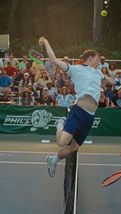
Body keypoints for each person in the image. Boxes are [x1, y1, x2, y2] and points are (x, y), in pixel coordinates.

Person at [38, 36, 114, 177]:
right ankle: (60, 124)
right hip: (78, 111)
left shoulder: (98, 73)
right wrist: (46, 42)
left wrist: (106, 77)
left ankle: (53, 159)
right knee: (62, 142)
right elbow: (54, 60)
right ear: (90, 58)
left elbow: (112, 82)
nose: (99, 61)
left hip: (90, 116)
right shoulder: (75, 69)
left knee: (74, 147)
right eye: (97, 59)